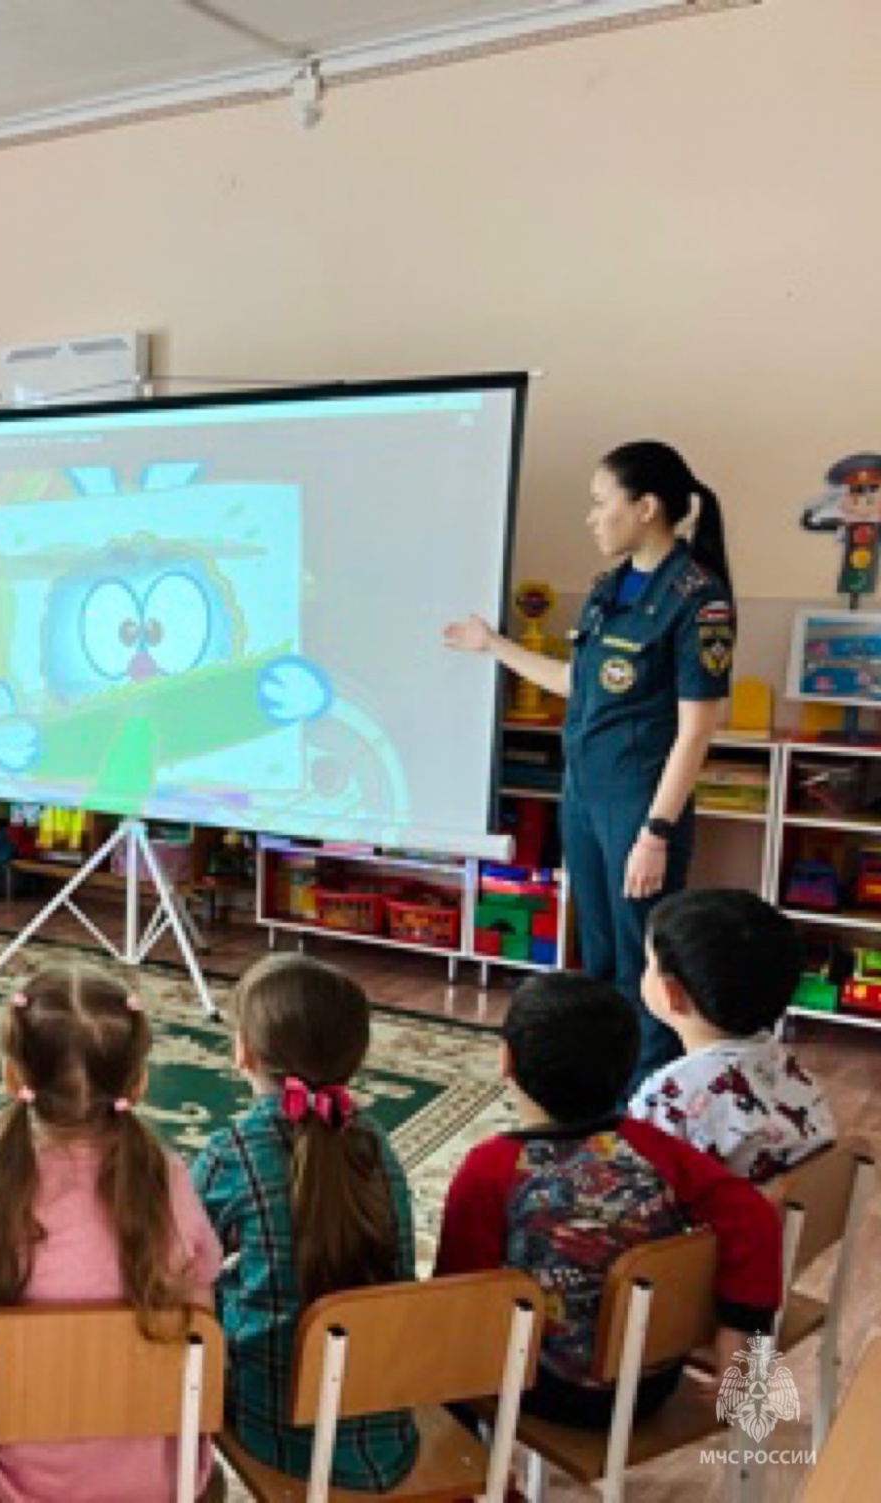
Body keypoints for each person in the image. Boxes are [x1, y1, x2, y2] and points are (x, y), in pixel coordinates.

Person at [445, 441, 735, 1091]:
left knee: (647, 962)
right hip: (584, 791)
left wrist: (655, 832)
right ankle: (607, 1086)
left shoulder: (698, 597)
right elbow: (581, 681)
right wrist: (492, 644)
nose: (592, 517)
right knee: (599, 953)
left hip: (638, 800)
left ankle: (650, 1099)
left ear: (647, 507)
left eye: (601, 502)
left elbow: (697, 731)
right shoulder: (610, 587)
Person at [436, 974, 781, 1428]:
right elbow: (755, 1216)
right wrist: (742, 1336)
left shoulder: (489, 1168)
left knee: (438, 1345)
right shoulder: (655, 1147)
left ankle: (480, 1478)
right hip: (650, 1383)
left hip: (543, 1389)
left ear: (506, 1061)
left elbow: (457, 1300)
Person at [0, 963, 220, 1501]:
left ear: (11, 1079)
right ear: (137, 1084)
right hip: (157, 1475)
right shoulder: (171, 1181)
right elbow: (203, 1309)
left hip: (16, 1479)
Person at [192, 954, 419, 1491]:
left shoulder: (235, 1152)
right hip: (387, 1430)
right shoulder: (376, 1143)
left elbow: (175, 1261)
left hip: (274, 1429)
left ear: (243, 1053)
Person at [630, 889, 837, 1184]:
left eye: (648, 963)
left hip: (711, 1230)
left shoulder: (666, 1097)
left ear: (671, 993)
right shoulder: (794, 1074)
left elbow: (633, 1192)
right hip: (787, 1226)